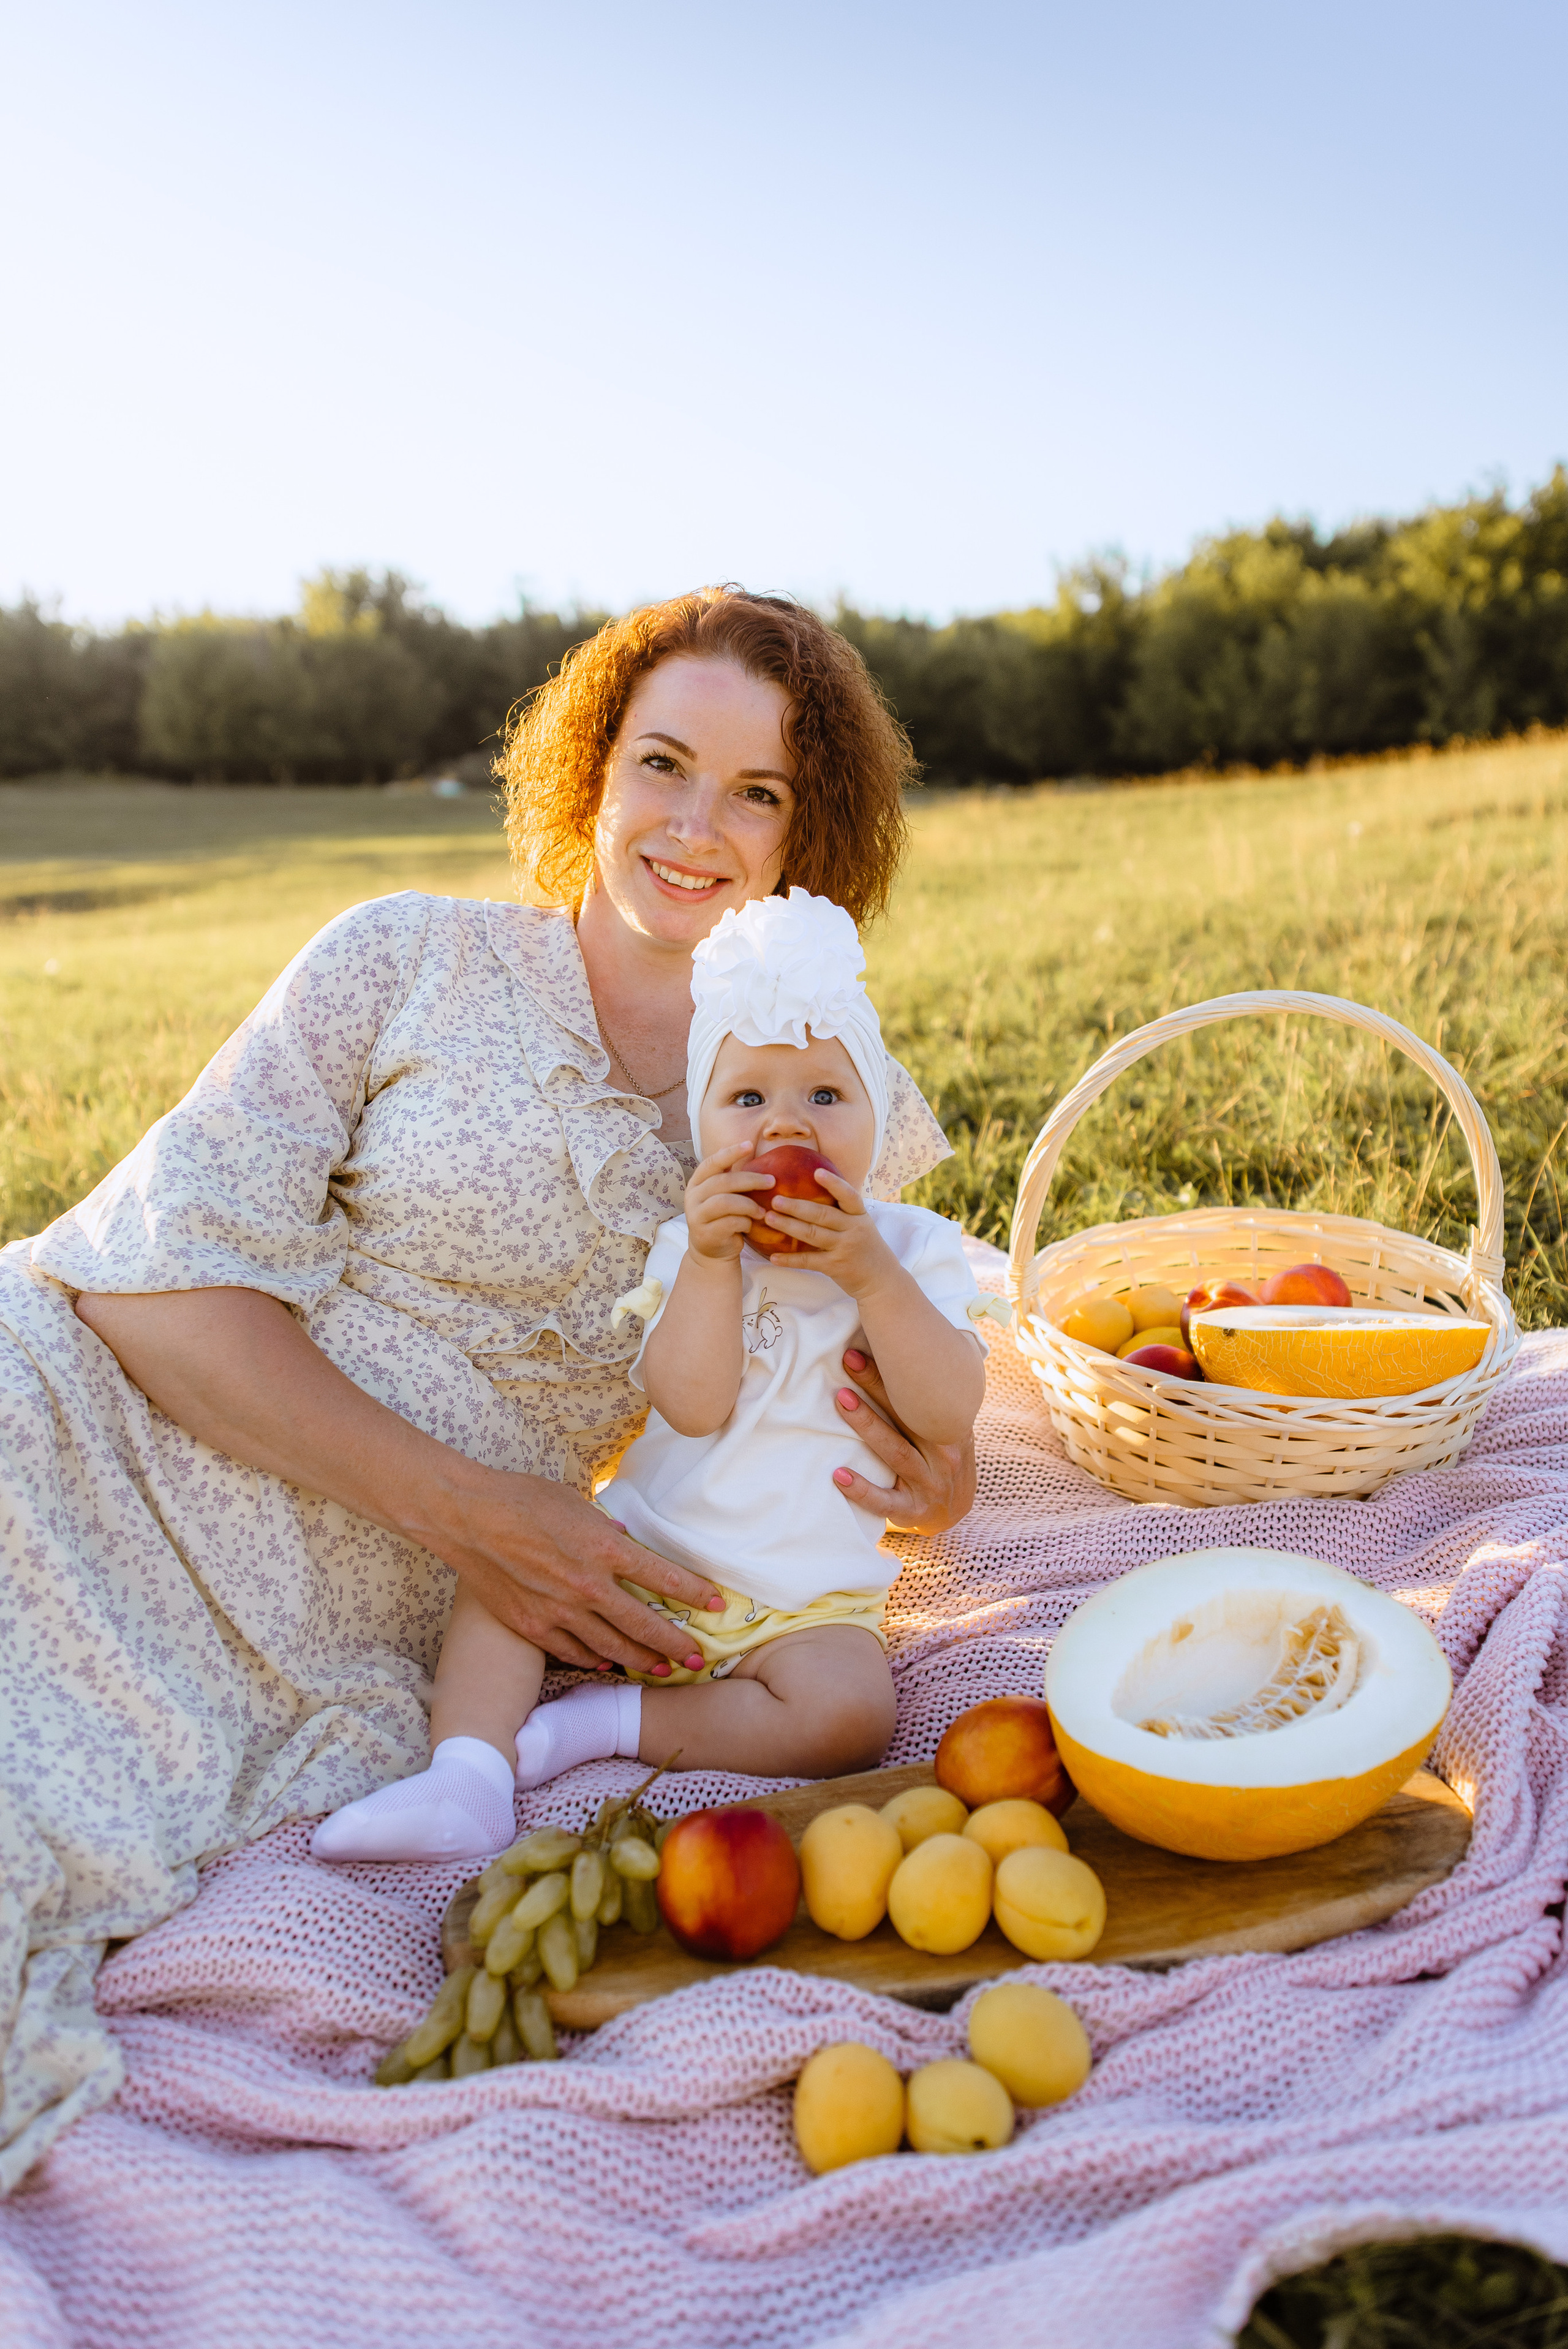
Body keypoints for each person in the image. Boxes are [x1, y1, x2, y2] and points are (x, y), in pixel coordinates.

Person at [0, 586, 976, 2188]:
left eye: (759, 792)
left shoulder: (823, 1073)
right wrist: (478, 1514)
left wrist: (941, 1477)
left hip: (347, 1628)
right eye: (662, 763)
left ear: (817, 834)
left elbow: (890, 1352)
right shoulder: (402, 957)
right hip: (79, 1421)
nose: (695, 827)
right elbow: (140, 1280)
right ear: (590, 766)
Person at [311, 891, 989, 1859]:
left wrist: (869, 1273)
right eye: (747, 1099)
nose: (783, 1129)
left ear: (879, 1114)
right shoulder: (692, 1245)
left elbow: (948, 1407)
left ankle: (595, 1728)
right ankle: (466, 1775)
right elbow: (691, 1402)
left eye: (827, 1098)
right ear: (705, 1123)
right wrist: (713, 1265)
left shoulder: (911, 1250)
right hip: (649, 1553)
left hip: (802, 1604)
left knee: (851, 1714)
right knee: (501, 1580)